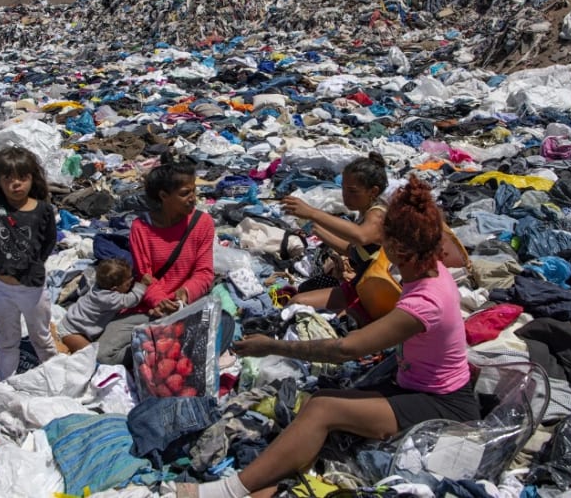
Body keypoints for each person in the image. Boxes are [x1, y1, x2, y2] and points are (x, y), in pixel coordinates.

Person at [178, 174, 480, 498]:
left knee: (322, 408)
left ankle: (225, 490)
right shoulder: (428, 270)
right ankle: (264, 487)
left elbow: (344, 349)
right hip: (416, 385)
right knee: (316, 411)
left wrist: (270, 346)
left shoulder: (425, 301)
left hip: (443, 405)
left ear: (395, 247)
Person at [96, 151, 216, 366]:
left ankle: (160, 352)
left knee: (219, 332)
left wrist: (184, 295)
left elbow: (204, 272)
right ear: (163, 196)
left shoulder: (202, 223)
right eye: (185, 193)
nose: (193, 198)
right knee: (104, 354)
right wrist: (161, 302)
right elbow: (145, 276)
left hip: (186, 307)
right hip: (149, 309)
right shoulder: (141, 228)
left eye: (194, 191)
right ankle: (160, 354)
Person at [0, 145, 57, 381]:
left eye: (23, 177)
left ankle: (56, 380)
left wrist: (34, 262)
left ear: (32, 178)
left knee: (41, 338)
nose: (16, 184)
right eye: (8, 179)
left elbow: (49, 240)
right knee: (7, 341)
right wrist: (4, 169)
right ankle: (5, 383)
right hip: (1, 286)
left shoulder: (43, 209)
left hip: (31, 288)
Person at [284, 152, 391, 324]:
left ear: (373, 191)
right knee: (297, 303)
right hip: (360, 287)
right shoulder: (364, 213)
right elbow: (352, 250)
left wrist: (313, 213)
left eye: (352, 191)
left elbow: (361, 237)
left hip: (374, 296)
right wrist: (319, 232)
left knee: (328, 322)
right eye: (343, 189)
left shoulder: (378, 215)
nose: (345, 196)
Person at [58, 258, 152, 352]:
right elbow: (132, 300)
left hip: (71, 322)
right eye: (128, 284)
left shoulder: (97, 286)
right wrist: (142, 285)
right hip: (72, 331)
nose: (132, 282)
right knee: (90, 353)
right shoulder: (108, 298)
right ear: (114, 289)